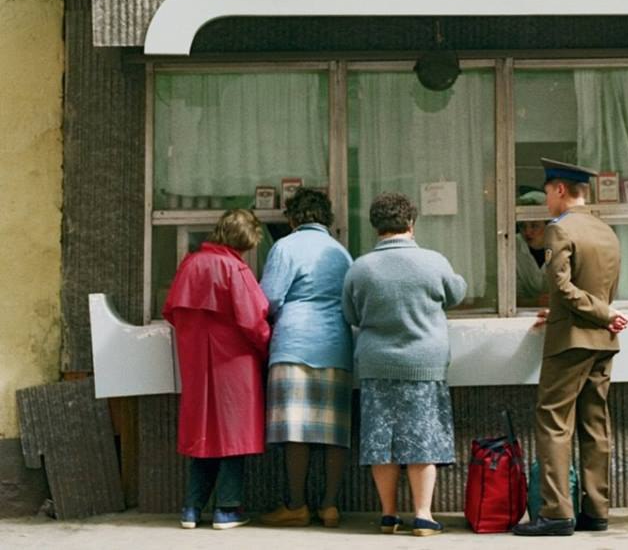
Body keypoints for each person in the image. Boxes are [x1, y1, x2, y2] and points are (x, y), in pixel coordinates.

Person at [514, 159, 628, 538]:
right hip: (603, 341)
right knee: (595, 424)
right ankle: (596, 510)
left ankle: (556, 513)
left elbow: (562, 286)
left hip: (570, 341)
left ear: (560, 190)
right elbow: (601, 288)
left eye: (548, 192)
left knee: (553, 421)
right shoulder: (606, 231)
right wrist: (603, 314)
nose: (547, 200)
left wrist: (600, 313)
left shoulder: (559, 230)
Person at [342, 192, 467, 537]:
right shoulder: (433, 261)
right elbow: (457, 293)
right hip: (424, 364)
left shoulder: (360, 267)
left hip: (376, 364)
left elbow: (350, 313)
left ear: (375, 226)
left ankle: (388, 515)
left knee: (381, 441)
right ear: (411, 223)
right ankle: (423, 515)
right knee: (422, 439)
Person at [161, 209, 270, 530]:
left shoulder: (190, 264)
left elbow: (171, 311)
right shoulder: (235, 268)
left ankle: (191, 509)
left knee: (202, 433)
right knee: (234, 434)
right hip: (235, 361)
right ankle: (227, 508)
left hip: (195, 359)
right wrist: (269, 347)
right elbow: (254, 321)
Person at [258, 188, 354, 529]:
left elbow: (269, 298)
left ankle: (296, 505)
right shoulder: (341, 252)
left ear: (292, 218)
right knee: (334, 431)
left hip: (294, 343)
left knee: (296, 429)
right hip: (335, 345)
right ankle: (330, 506)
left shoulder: (285, 247)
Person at [516, 189, 549, 306]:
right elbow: (510, 297)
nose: (527, 232)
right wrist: (535, 302)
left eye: (534, 225)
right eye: (522, 225)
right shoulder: (512, 246)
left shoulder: (564, 245)